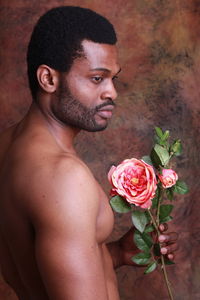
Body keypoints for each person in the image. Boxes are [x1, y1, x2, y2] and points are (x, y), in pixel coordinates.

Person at [0, 6, 178, 300]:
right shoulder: (65, 179)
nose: (112, 92)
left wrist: (118, 253)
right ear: (48, 79)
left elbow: (37, 268)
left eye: (113, 79)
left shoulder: (7, 146)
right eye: (97, 78)